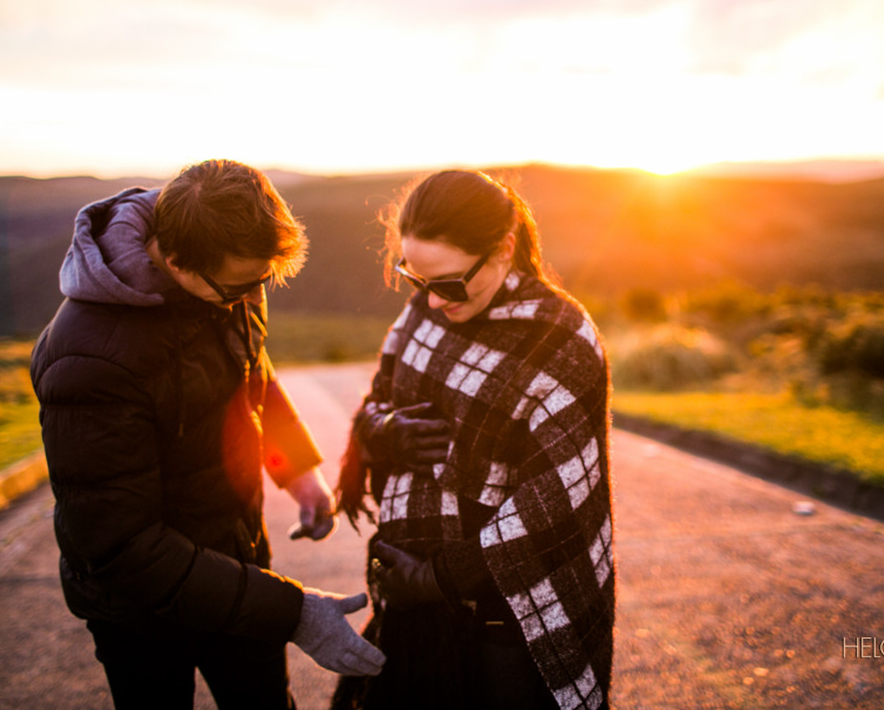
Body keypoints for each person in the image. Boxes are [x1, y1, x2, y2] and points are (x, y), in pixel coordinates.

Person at [31, 159, 385, 709]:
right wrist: (293, 612)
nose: (254, 296)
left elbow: (252, 372)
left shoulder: (229, 283)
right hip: (139, 609)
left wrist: (297, 470)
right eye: (243, 285)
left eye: (265, 280)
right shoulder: (88, 360)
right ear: (175, 261)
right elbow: (122, 549)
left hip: (237, 561)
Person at [332, 170, 615, 710]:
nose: (435, 303)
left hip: (504, 620)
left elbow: (551, 504)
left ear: (504, 249)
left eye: (451, 283)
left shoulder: (561, 339)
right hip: (413, 615)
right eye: (415, 279)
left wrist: (437, 577)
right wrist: (383, 434)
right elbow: (376, 404)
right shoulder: (424, 308)